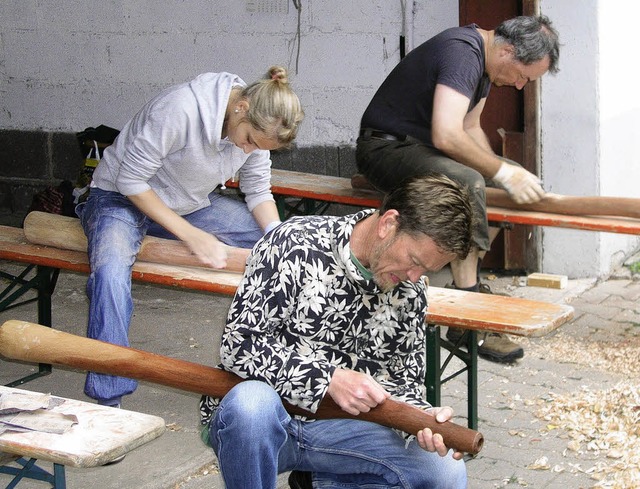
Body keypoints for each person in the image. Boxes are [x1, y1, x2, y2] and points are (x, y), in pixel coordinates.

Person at [200, 173, 473, 489]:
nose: (414, 276)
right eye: (413, 260)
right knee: (250, 405)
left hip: (343, 433)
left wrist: (423, 419)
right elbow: (239, 346)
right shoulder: (293, 243)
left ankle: (317, 481)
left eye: (426, 270)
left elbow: (403, 385)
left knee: (444, 473)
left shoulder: (410, 292)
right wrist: (327, 378)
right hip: (270, 423)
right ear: (388, 224)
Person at [76, 66, 304, 409]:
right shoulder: (180, 109)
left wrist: (275, 237)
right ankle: (108, 403)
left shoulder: (256, 124)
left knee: (286, 249)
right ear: (241, 107)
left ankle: (287, 368)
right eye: (249, 142)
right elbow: (131, 180)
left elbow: (257, 191)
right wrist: (192, 236)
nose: (246, 151)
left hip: (187, 204)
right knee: (109, 273)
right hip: (120, 198)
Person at [355, 15, 560, 363]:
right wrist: (496, 173)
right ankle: (468, 306)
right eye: (524, 76)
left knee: (501, 178)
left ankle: (468, 284)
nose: (521, 86)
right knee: (470, 183)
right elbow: (446, 135)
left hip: (418, 150)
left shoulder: (484, 65)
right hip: (384, 150)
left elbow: (470, 128)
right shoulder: (461, 53)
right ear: (508, 50)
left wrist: (506, 172)